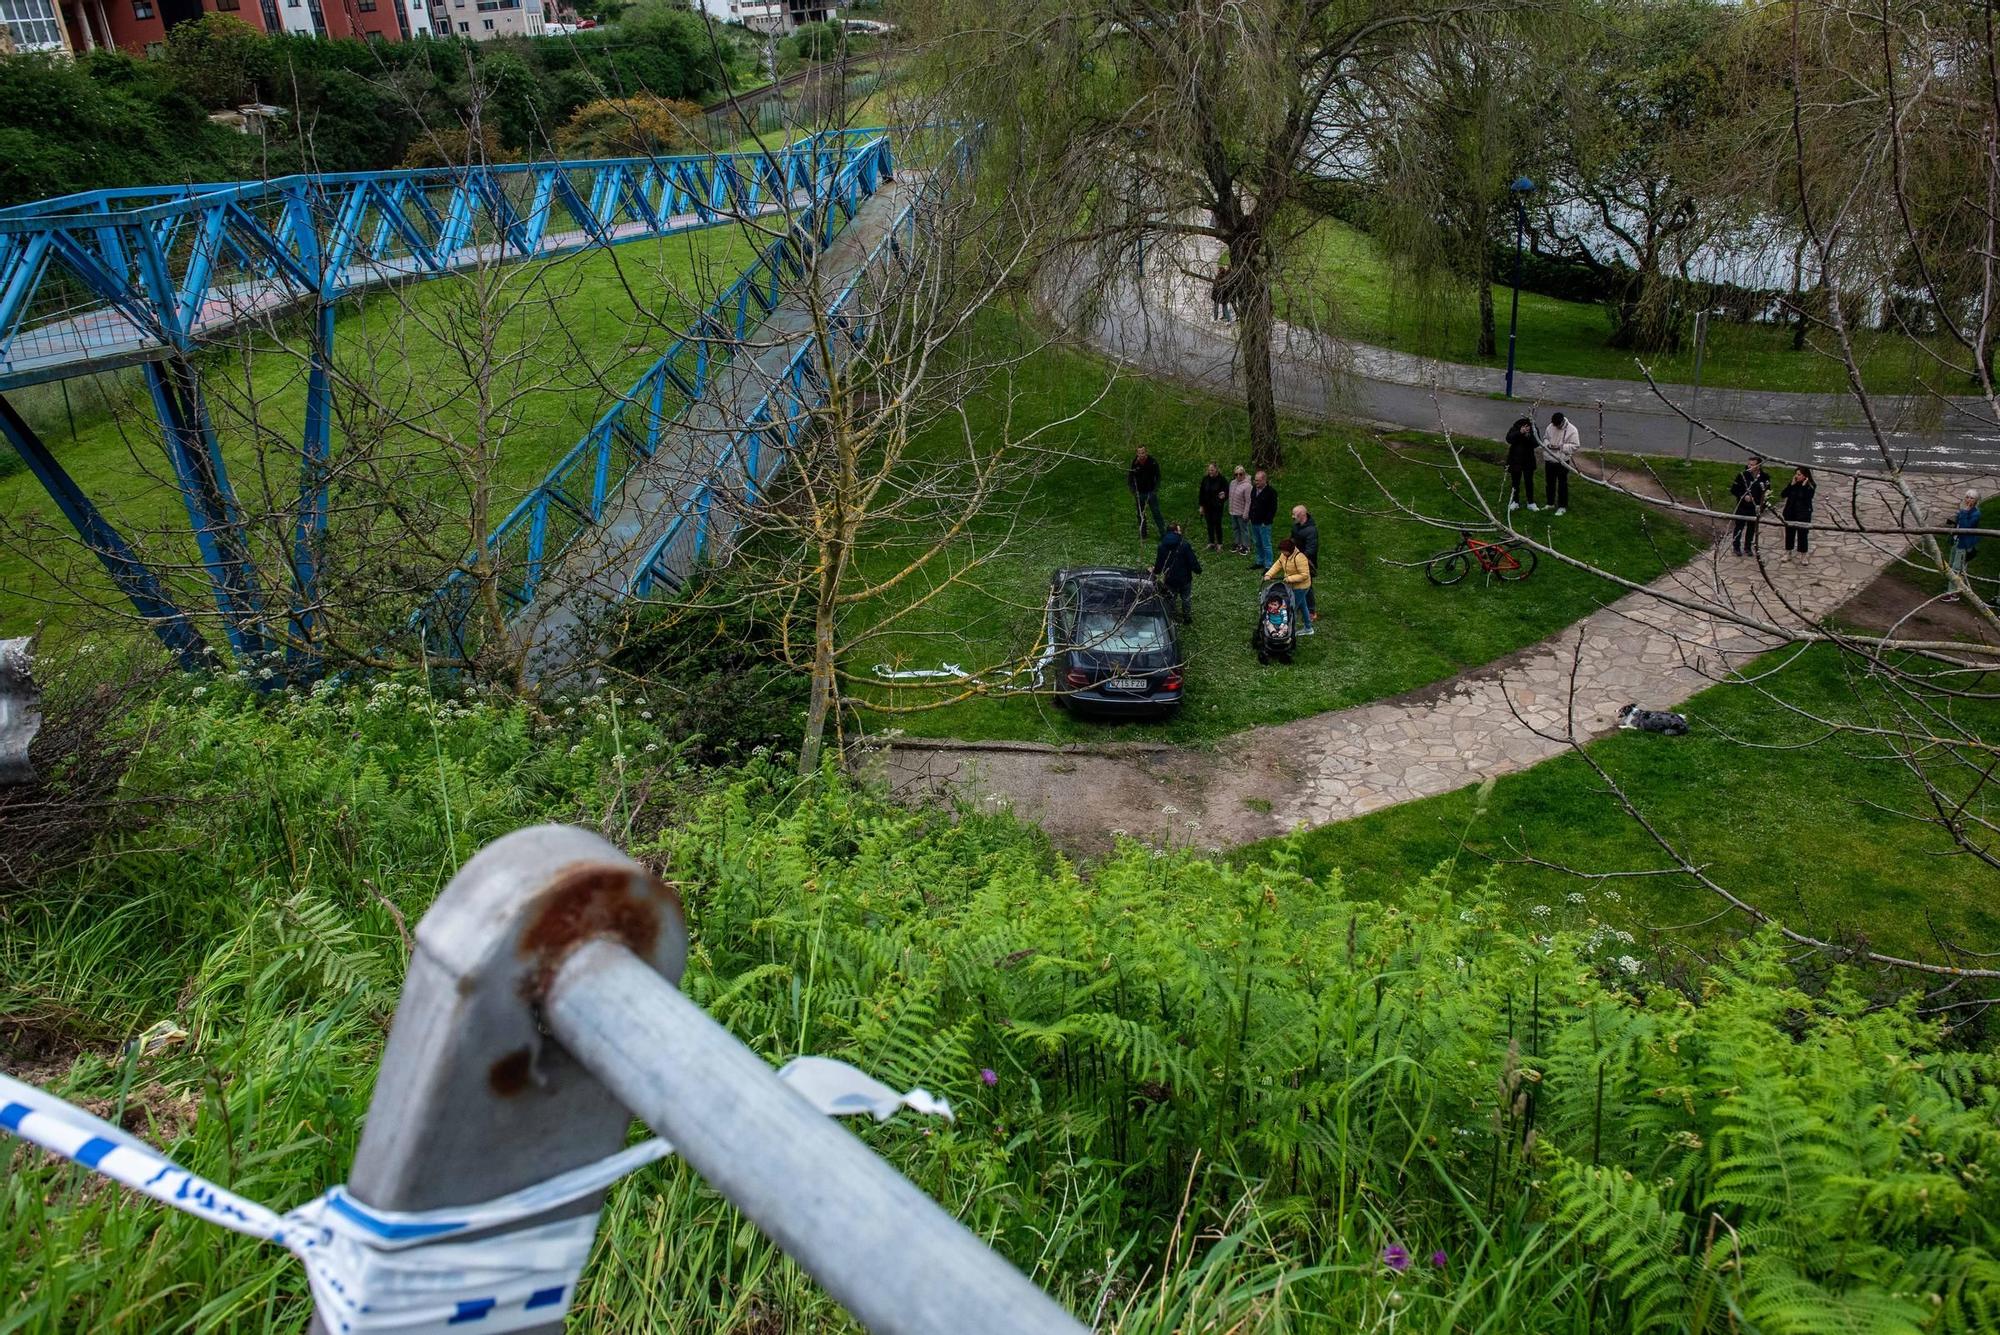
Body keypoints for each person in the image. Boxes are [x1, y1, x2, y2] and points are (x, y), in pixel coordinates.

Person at [1152, 521, 1203, 623]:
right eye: (1179, 530)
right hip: (1185, 578)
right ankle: (1187, 617)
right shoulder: (1184, 545)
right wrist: (1198, 569)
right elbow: (1192, 560)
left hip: (1170, 578)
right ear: (1175, 531)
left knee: (1171, 598)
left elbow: (1159, 564)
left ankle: (1171, 618)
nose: (1180, 532)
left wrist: (1155, 571)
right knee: (1186, 598)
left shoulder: (1162, 546)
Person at [1264, 537, 1314, 636]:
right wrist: (1269, 574)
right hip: (1294, 586)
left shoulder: (1300, 558)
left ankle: (1290, 631)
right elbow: (1278, 564)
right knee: (1303, 606)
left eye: (1284, 551)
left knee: (1292, 609)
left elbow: (1304, 575)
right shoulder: (1284, 555)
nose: (1282, 553)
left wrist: (1289, 578)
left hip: (1301, 587)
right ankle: (1308, 628)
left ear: (1289, 550)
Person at [1730, 456, 1772, 557]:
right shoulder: (1742, 475)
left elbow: (1767, 491)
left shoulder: (1764, 477)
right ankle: (1736, 546)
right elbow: (1734, 489)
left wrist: (1762, 505)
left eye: (1752, 465)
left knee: (1751, 528)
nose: (1749, 466)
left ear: (1759, 466)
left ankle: (1747, 547)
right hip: (1743, 507)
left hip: (1755, 507)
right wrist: (1743, 496)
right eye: (1749, 464)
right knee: (1739, 526)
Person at [1946, 489, 1983, 602]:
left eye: (1971, 498)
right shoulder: (1964, 510)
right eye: (1967, 497)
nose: (1968, 500)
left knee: (1957, 568)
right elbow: (1958, 524)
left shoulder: (1975, 513)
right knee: (1952, 565)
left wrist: (1965, 513)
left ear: (1976, 500)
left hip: (1964, 544)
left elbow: (1965, 527)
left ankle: (1953, 593)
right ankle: (1952, 588)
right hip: (1957, 541)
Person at [1540, 411, 1579, 515]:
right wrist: (1548, 445)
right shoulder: (1550, 426)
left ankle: (1562, 506)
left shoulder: (1572, 430)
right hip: (1549, 459)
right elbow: (1545, 438)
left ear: (1562, 422)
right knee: (1550, 483)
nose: (1555, 426)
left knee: (1562, 484)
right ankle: (1550, 503)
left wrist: (1560, 447)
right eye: (1554, 424)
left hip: (1562, 461)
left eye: (1557, 425)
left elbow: (1575, 446)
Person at [1290, 504, 1320, 623]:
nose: (1292, 517)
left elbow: (1311, 549)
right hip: (1296, 560)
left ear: (1302, 515)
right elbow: (1292, 539)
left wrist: (1299, 559)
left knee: (1307, 587)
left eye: (1295, 515)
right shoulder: (1296, 526)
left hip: (1307, 563)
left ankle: (1311, 611)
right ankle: (1300, 607)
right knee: (1296, 584)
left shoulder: (1311, 531)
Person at [1127, 446, 1165, 539]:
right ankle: (1143, 534)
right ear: (1137, 453)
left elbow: (1158, 476)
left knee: (1156, 513)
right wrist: (1133, 490)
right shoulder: (1135, 463)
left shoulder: (1152, 462)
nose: (1141, 455)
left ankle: (1163, 533)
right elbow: (1130, 477)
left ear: (1146, 452)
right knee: (1141, 514)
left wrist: (1155, 490)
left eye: (1143, 452)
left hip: (1151, 492)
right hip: (1139, 493)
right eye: (1139, 453)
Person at [1780, 467, 1815, 561]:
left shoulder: (1810, 486)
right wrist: (1791, 485)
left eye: (1799, 474)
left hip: (1803, 514)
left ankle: (1803, 555)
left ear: (1805, 476)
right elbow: (1783, 494)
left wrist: (1803, 487)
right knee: (1789, 533)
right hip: (1790, 512)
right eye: (1796, 474)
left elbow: (1806, 498)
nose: (1797, 476)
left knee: (1803, 535)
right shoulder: (1794, 484)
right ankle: (1788, 552)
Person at [1504, 416, 1539, 512]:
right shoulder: (1515, 428)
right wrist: (1520, 433)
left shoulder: (1533, 429)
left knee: (1529, 482)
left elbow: (1536, 443)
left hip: (1528, 460)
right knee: (1515, 482)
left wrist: (1528, 435)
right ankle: (1515, 501)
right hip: (1516, 460)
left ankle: (1530, 502)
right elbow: (1509, 439)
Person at [1247, 469, 1278, 568]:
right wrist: (1250, 516)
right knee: (1257, 543)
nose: (1256, 482)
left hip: (1264, 523)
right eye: (1255, 480)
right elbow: (1252, 503)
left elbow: (1272, 509)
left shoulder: (1271, 492)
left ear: (1264, 480)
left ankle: (1268, 565)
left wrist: (1267, 521)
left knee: (1266, 544)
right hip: (1254, 521)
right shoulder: (1254, 489)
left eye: (1258, 481)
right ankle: (1259, 561)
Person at [1197, 463, 1229, 551]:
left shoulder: (1222, 480)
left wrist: (1224, 496)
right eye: (1209, 470)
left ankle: (1219, 543)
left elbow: (1227, 492)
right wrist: (1201, 506)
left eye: (1212, 470)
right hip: (1207, 506)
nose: (1210, 472)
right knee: (1209, 524)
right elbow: (1201, 493)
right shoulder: (1205, 479)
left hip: (1217, 506)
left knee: (1217, 524)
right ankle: (1211, 542)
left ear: (1216, 470)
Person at [1226, 465, 1253, 553]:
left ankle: (1246, 546)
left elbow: (1248, 501)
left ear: (1244, 474)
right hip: (1233, 511)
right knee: (1235, 528)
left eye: (1240, 474)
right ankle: (1237, 543)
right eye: (1236, 474)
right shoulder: (1232, 483)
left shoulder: (1248, 486)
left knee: (1244, 529)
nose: (1238, 476)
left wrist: (1246, 513)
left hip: (1242, 512)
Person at [1212, 256, 1234, 323]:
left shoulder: (1219, 277)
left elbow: (1215, 285)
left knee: (1216, 307)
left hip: (1218, 294)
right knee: (1224, 308)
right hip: (1224, 294)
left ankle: (1215, 319)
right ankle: (1228, 320)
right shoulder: (1227, 276)